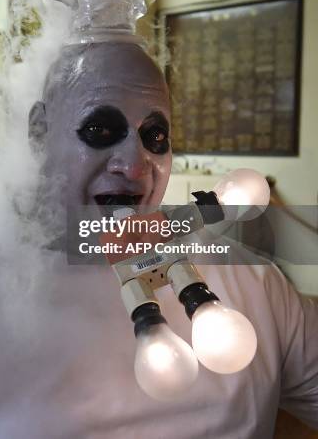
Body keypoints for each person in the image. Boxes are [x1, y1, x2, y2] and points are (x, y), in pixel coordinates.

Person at [25, 38, 318, 439]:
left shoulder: (257, 287)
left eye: (155, 135)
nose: (134, 166)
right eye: (98, 129)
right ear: (39, 134)